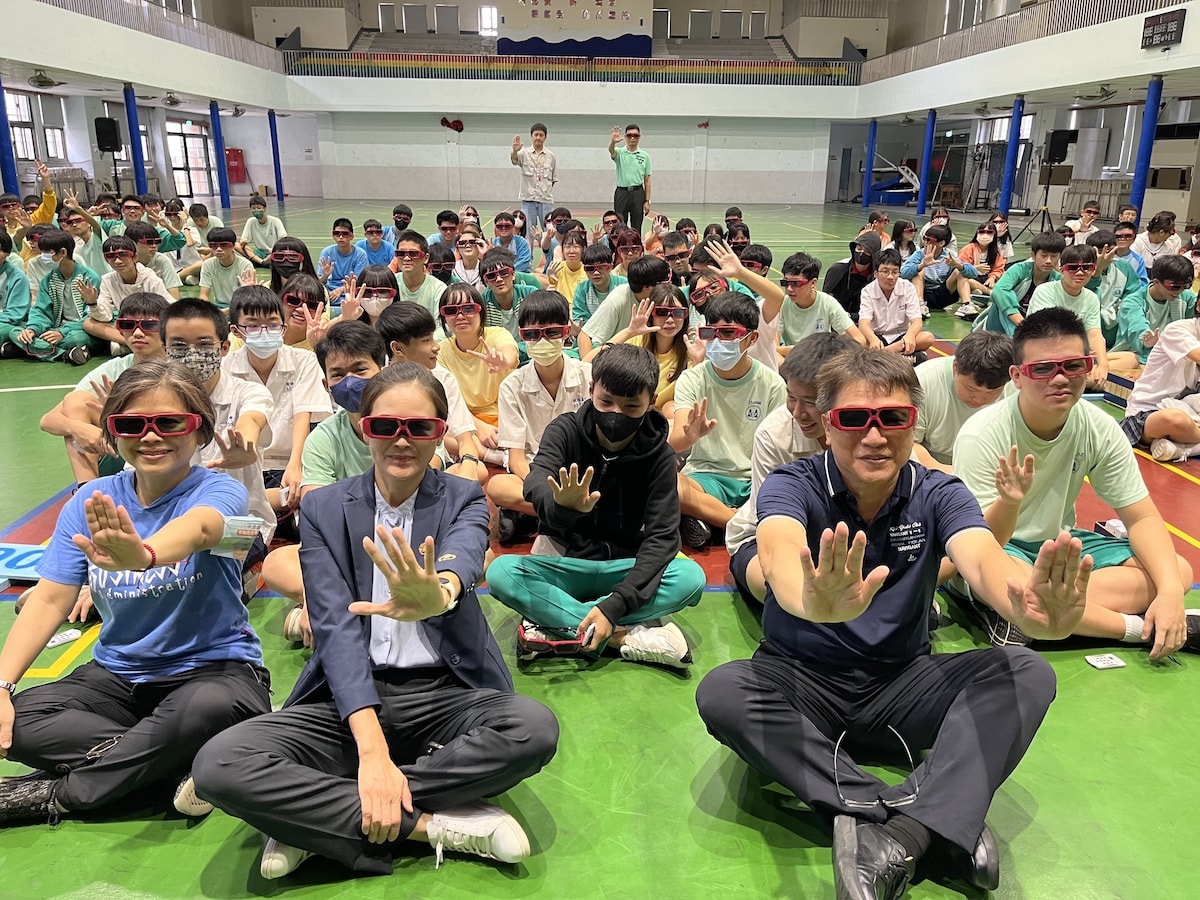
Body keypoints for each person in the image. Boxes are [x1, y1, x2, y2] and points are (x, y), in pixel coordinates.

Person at [696, 345, 1097, 900]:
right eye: (853, 419)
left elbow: (982, 558)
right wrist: (811, 602)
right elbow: (779, 552)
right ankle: (932, 818)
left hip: (902, 684)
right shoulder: (792, 484)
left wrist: (1026, 606)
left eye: (893, 417)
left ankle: (900, 830)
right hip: (802, 679)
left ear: (914, 424)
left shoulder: (939, 492)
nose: (875, 435)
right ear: (826, 426)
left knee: (1026, 671)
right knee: (723, 691)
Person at [192, 362, 560, 880]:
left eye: (420, 427)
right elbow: (336, 631)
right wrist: (371, 752)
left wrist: (440, 593)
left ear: (440, 432)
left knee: (533, 729)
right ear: (364, 428)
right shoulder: (322, 508)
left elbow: (463, 556)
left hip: (446, 695)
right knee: (218, 764)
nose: (402, 440)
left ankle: (316, 818)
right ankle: (431, 825)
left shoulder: (464, 496)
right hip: (347, 699)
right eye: (386, 426)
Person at [0, 360, 271, 828]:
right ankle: (172, 767)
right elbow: (49, 599)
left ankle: (61, 794)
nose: (150, 436)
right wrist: (2, 687)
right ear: (112, 431)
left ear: (200, 430)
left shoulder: (221, 490)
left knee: (204, 711)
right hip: (118, 676)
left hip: (214, 673)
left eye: (169, 423)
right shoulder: (91, 501)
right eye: (131, 424)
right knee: (18, 722)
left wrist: (144, 555)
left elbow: (202, 528)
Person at [953, 308, 1198, 653]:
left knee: (1177, 571)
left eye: (1073, 366)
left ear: (1088, 366)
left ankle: (1029, 616)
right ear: (1017, 376)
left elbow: (1140, 517)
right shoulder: (983, 435)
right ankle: (1135, 628)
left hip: (1057, 544)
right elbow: (976, 546)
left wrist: (1170, 593)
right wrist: (1009, 503)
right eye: (1042, 369)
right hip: (1000, 548)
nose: (1060, 378)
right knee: (1006, 583)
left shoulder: (1099, 428)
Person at [487, 343, 705, 667]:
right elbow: (536, 480)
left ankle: (560, 623)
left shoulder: (659, 454)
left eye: (631, 406)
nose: (616, 414)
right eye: (606, 401)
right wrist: (561, 506)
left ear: (651, 403)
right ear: (591, 390)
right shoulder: (565, 430)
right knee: (500, 572)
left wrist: (613, 605)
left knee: (690, 578)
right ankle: (622, 638)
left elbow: (662, 538)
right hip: (568, 561)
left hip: (625, 565)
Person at [726, 332, 855, 603]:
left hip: (848, 540)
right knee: (784, 593)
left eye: (810, 402)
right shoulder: (774, 435)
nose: (797, 412)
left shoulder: (870, 431)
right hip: (767, 538)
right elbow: (771, 524)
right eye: (791, 397)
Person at [671, 291, 787, 548]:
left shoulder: (773, 384)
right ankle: (739, 524)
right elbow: (675, 441)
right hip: (706, 477)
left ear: (752, 338)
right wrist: (689, 436)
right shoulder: (692, 379)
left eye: (727, 333)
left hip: (756, 478)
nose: (717, 341)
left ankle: (708, 517)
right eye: (710, 333)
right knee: (669, 486)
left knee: (789, 489)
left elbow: (779, 452)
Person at [223, 285, 332, 524]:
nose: (264, 332)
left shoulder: (304, 360)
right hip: (242, 467)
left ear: (283, 327)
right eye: (253, 325)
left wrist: (296, 465)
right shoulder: (226, 368)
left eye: (272, 324)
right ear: (236, 331)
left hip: (289, 463)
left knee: (308, 499)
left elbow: (303, 414)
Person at [488, 291, 591, 540]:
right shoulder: (511, 386)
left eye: (552, 332)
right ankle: (579, 516)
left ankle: (541, 514)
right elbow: (516, 459)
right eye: (532, 334)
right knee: (498, 486)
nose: (542, 340)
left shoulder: (589, 376)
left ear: (567, 332)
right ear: (522, 336)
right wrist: (545, 487)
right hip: (535, 472)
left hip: (583, 473)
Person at [40, 293, 170, 488]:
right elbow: (47, 420)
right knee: (76, 402)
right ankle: (87, 490)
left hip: (164, 445)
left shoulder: (178, 367)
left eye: (149, 325)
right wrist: (78, 428)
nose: (137, 333)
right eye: (128, 325)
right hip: (120, 448)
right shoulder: (113, 369)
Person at [374, 301, 488, 486]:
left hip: (434, 466)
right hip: (391, 469)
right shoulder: (377, 384)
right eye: (426, 341)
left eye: (433, 338)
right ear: (398, 348)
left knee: (478, 471)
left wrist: (468, 467)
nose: (436, 347)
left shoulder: (444, 379)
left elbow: (466, 440)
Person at [910, 330, 1012, 472]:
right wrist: (947, 474)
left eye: (992, 393)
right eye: (971, 389)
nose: (979, 399)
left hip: (990, 467)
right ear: (955, 367)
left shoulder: (1015, 387)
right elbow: (909, 443)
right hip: (934, 469)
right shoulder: (923, 381)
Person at [436, 284, 519, 453]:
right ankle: (491, 456)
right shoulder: (441, 351)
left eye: (468, 308)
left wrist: (503, 361)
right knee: (440, 431)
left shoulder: (497, 334)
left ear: (481, 311)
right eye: (451, 310)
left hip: (504, 414)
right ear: (444, 317)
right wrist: (480, 427)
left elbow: (510, 353)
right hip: (464, 420)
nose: (460, 316)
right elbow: (449, 404)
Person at [6, 230, 102, 365]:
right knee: (15, 332)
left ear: (63, 252)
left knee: (76, 339)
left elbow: (92, 316)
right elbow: (40, 311)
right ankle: (65, 354)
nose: (42, 256)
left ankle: (32, 349)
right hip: (55, 329)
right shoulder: (48, 280)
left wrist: (63, 332)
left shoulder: (90, 278)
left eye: (47, 252)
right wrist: (32, 329)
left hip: (80, 330)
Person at [1120, 301, 1200, 462]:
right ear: (1198, 305)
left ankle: (1180, 449)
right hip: (1150, 411)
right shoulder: (1177, 330)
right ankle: (1187, 447)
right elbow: (1197, 355)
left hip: (1191, 413)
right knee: (1174, 419)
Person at [1026, 243, 1108, 388]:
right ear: (1061, 269)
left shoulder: (1092, 298)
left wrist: (1103, 365)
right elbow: (1047, 334)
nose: (1080, 273)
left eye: (1087, 267)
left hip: (1076, 357)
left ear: (1094, 269)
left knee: (1130, 359)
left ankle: (1087, 375)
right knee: (1093, 377)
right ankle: (1084, 377)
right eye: (1073, 267)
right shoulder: (1045, 291)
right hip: (1044, 354)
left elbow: (1094, 333)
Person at [975, 230, 1066, 336]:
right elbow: (998, 290)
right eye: (1043, 255)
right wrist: (1021, 323)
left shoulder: (1058, 280)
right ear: (1033, 255)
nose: (1048, 261)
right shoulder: (1020, 269)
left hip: (1035, 329)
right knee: (1005, 296)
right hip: (1000, 326)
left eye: (1054, 256)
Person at [578, 255, 669, 356]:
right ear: (647, 287)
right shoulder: (618, 299)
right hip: (610, 357)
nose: (668, 285)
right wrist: (586, 364)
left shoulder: (667, 298)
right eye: (664, 282)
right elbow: (585, 335)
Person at [777, 252, 867, 352]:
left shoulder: (827, 303)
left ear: (813, 283)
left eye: (796, 283)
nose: (789, 289)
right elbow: (773, 347)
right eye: (785, 282)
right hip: (791, 358)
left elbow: (860, 340)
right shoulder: (781, 304)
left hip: (821, 356)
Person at [857, 248, 934, 362]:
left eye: (895, 272)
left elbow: (917, 321)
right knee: (856, 340)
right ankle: (903, 358)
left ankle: (879, 358)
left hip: (901, 338)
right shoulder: (868, 291)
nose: (890, 277)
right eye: (885, 271)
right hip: (877, 338)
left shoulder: (907, 288)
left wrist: (910, 335)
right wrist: (873, 339)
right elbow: (864, 323)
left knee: (927, 338)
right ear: (876, 273)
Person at [900, 224, 976, 314]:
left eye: (929, 240)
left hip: (943, 294)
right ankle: (920, 306)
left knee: (960, 271)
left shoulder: (949, 256)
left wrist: (958, 265)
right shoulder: (919, 254)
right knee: (918, 271)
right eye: (924, 238)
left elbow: (974, 274)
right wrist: (922, 265)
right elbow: (903, 273)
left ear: (941, 243)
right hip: (923, 293)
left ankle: (967, 305)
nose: (925, 242)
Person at [952, 221, 1007, 319]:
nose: (985, 235)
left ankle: (978, 292)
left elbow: (998, 269)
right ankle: (989, 293)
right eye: (982, 232)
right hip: (971, 277)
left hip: (987, 279)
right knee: (968, 281)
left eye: (989, 232)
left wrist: (992, 277)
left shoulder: (996, 252)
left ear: (994, 235)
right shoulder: (969, 248)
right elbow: (961, 266)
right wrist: (975, 268)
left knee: (1004, 278)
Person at [511, 123, 557, 231]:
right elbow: (514, 160)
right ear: (531, 136)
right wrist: (515, 151)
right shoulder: (523, 153)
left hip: (546, 200)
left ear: (545, 137)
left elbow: (553, 179)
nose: (538, 137)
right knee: (528, 232)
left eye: (541, 135)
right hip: (528, 200)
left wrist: (544, 191)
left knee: (549, 231)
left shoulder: (551, 156)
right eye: (536, 135)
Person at [823, 233, 880, 320]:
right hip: (835, 318)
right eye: (859, 249)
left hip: (863, 320)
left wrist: (851, 316)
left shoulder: (876, 277)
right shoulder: (837, 270)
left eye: (867, 251)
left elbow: (876, 310)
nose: (861, 253)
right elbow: (825, 298)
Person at [609, 124, 652, 232]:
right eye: (629, 135)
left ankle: (636, 242)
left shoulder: (645, 156)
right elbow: (611, 151)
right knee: (620, 224)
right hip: (622, 192)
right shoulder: (619, 152)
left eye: (635, 135)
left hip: (638, 193)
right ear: (625, 137)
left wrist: (647, 201)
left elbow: (647, 180)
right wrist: (613, 142)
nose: (632, 138)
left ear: (639, 137)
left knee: (637, 224)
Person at [199, 227, 255, 310]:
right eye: (213, 245)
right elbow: (203, 295)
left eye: (224, 245)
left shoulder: (245, 265)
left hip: (241, 308)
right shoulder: (207, 264)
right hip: (219, 307)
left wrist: (224, 312)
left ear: (233, 245)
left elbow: (249, 299)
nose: (219, 249)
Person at [573, 243, 626, 327]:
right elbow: (580, 318)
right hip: (592, 333)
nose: (596, 273)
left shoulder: (624, 285)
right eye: (590, 268)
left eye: (601, 267)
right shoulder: (582, 289)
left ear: (610, 267)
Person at [319, 218, 370, 304]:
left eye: (345, 234)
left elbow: (358, 281)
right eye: (337, 233)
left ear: (351, 236)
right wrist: (325, 275)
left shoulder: (360, 254)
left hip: (352, 289)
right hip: (330, 290)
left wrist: (340, 290)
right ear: (333, 235)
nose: (340, 237)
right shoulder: (327, 252)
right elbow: (320, 281)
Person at [237, 196, 288, 266]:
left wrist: (274, 248)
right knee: (237, 245)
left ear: (264, 209)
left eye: (259, 208)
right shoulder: (251, 221)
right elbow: (243, 239)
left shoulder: (275, 221)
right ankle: (262, 262)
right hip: (259, 253)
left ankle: (259, 261)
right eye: (253, 208)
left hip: (273, 252)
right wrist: (243, 242)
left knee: (281, 250)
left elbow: (284, 238)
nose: (256, 210)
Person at [1112, 220, 1149, 287]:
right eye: (1118, 236)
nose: (1122, 239)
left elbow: (1142, 283)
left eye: (1127, 236)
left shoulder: (1138, 260)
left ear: (1134, 238)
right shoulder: (1106, 256)